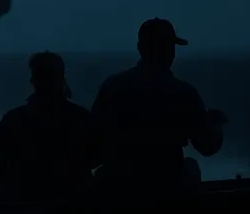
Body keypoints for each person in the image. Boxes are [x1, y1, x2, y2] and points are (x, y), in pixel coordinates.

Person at [90, 18, 228, 193]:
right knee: (191, 166)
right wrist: (215, 125)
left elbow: (93, 142)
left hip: (119, 184)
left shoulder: (112, 86)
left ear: (140, 49)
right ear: (170, 52)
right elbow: (207, 146)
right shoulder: (183, 92)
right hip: (167, 183)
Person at [0, 51, 99, 200]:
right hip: (71, 200)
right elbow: (96, 156)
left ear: (33, 80)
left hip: (24, 199)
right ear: (62, 78)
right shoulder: (81, 118)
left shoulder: (15, 119)